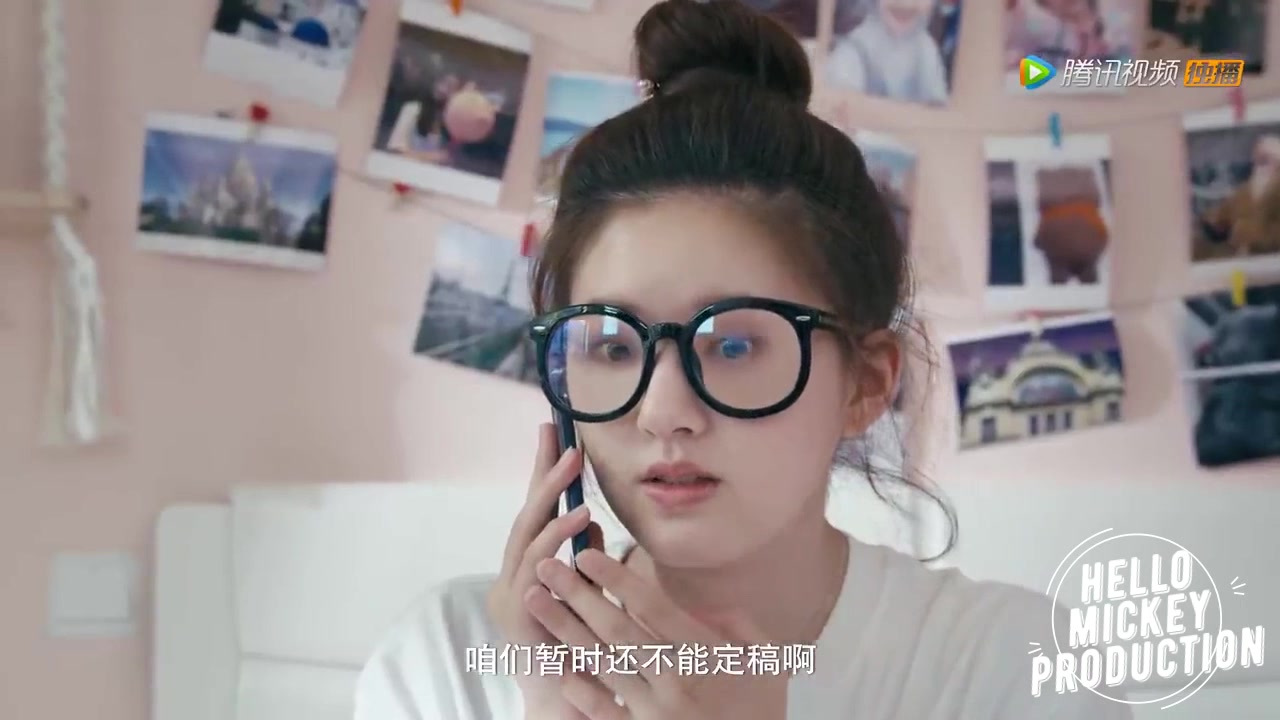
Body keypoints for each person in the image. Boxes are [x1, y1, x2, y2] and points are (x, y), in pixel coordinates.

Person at [353, 1, 1133, 718]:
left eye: (731, 344)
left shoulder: (1017, 668)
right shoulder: (450, 664)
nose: (663, 412)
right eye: (614, 345)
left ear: (865, 384)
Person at [826, 0, 949, 105]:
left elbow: (938, 107)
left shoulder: (926, 48)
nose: (906, 3)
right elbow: (844, 106)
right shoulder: (855, 49)